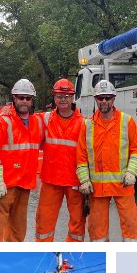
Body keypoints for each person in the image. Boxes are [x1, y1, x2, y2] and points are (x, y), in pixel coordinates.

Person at [76, 80, 137, 241]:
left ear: (113, 99)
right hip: (97, 188)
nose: (104, 101)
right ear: (95, 99)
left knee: (131, 229)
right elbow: (81, 156)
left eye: (107, 98)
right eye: (100, 98)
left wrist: (132, 172)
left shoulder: (126, 121)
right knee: (97, 233)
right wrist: (84, 180)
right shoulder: (87, 125)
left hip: (123, 185)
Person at [0, 78, 45, 241]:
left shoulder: (36, 122)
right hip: (4, 185)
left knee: (18, 230)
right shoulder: (2, 121)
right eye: (21, 97)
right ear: (14, 98)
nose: (24, 101)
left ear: (32, 101)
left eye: (28, 98)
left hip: (23, 185)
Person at [35, 79, 86, 242]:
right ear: (54, 98)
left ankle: (72, 253)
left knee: (77, 223)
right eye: (59, 96)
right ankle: (43, 253)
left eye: (66, 96)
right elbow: (23, 127)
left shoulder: (83, 123)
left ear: (72, 98)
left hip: (74, 180)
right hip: (51, 180)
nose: (63, 99)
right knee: (44, 223)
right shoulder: (45, 119)